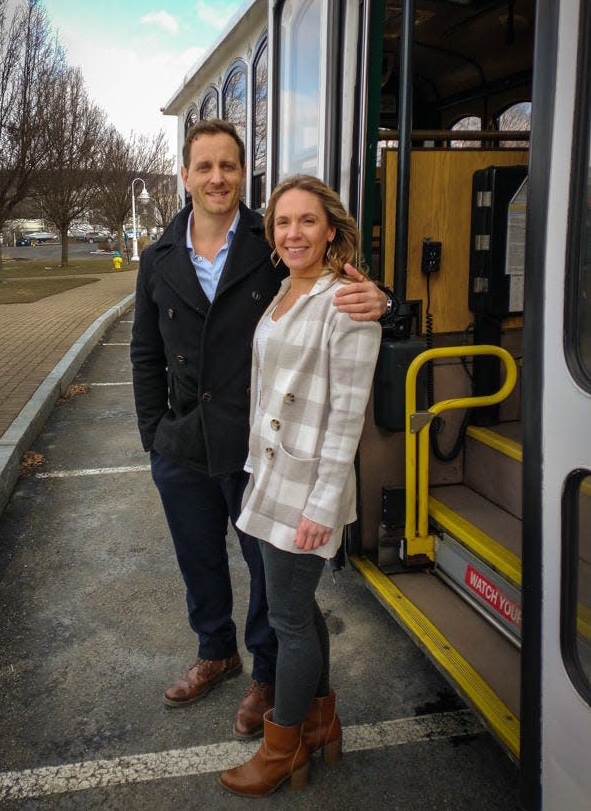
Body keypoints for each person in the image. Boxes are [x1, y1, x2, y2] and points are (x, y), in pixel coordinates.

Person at [130, 120, 390, 740]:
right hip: (184, 446)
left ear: (243, 173)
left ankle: (268, 677)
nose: (216, 177)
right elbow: (144, 353)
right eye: (204, 166)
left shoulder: (273, 237)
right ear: (186, 175)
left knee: (270, 581)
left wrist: (386, 302)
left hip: (257, 450)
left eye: (228, 165)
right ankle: (215, 653)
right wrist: (154, 435)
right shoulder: (159, 256)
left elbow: (341, 290)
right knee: (200, 564)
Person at [218, 175, 382, 796]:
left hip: (309, 487)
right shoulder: (288, 289)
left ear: (331, 229)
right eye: (283, 223)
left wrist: (321, 506)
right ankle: (321, 721)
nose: (293, 233)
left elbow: (347, 418)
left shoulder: (346, 302)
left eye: (307, 221)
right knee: (297, 609)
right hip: (272, 474)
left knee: (286, 617)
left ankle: (282, 745)